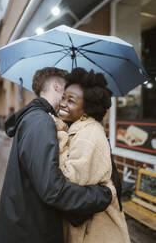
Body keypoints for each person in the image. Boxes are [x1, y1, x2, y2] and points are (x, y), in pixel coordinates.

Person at [0, 67, 116, 243]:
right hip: (29, 232)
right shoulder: (41, 122)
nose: (65, 100)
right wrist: (104, 195)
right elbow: (53, 189)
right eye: (65, 92)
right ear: (57, 86)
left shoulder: (38, 119)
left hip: (26, 226)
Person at [54, 68, 131, 243]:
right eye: (63, 97)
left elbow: (67, 181)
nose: (63, 103)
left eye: (71, 101)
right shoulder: (79, 128)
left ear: (88, 107)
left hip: (97, 234)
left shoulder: (88, 135)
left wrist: (59, 136)